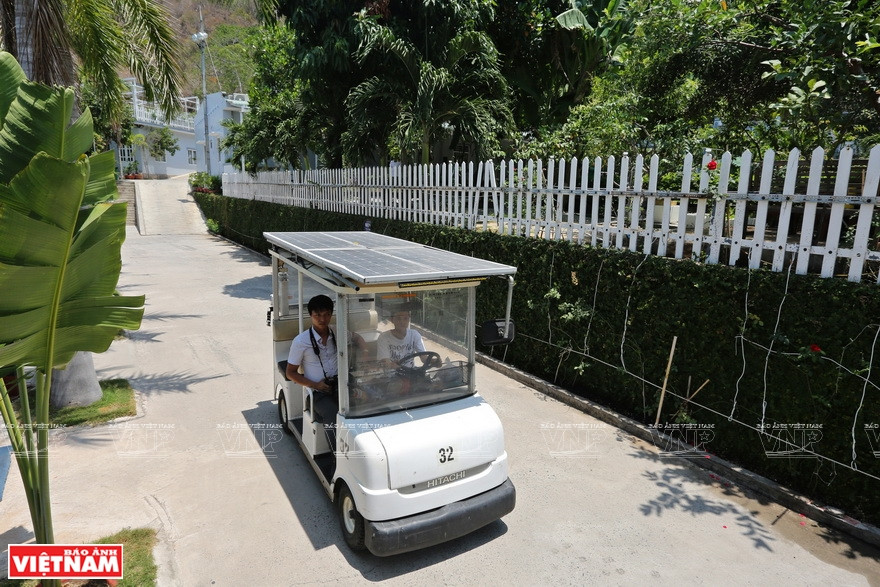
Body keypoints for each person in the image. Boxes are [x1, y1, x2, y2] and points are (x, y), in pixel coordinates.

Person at [376, 308, 441, 369]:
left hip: (411, 373)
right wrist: (391, 365)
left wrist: (433, 361)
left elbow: (423, 357)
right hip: (392, 376)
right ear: (392, 320)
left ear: (409, 320)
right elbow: (385, 362)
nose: (402, 322)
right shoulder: (384, 337)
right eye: (398, 318)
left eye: (405, 318)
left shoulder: (414, 334)